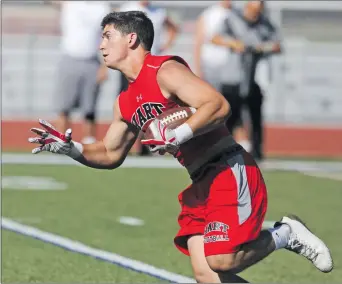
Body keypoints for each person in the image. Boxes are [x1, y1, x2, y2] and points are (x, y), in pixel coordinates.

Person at [28, 11, 333, 283]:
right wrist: (71, 148)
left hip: (228, 168)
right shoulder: (124, 102)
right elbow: (109, 153)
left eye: (107, 36)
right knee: (207, 274)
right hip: (201, 181)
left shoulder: (164, 71)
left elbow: (217, 105)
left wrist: (179, 134)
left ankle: (285, 234)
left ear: (131, 38)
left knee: (220, 259)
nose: (101, 45)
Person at [212, 0, 281, 160]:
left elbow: (277, 45)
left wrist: (261, 47)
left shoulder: (266, 24)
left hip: (254, 77)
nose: (254, 14)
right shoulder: (232, 20)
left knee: (255, 116)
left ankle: (257, 152)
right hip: (232, 76)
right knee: (228, 115)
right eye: (252, 9)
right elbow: (215, 38)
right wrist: (234, 43)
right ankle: (222, 149)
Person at [118, 0, 179, 156]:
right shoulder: (128, 8)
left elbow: (173, 28)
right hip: (132, 66)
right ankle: (128, 145)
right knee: (130, 106)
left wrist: (165, 45)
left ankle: (147, 144)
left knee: (151, 106)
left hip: (152, 67)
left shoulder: (158, 11)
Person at [52, 1, 111, 144]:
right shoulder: (70, 3)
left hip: (91, 60)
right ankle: (61, 143)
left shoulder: (102, 7)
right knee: (64, 107)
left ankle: (88, 144)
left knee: (89, 109)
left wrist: (105, 66)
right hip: (70, 58)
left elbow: (107, 38)